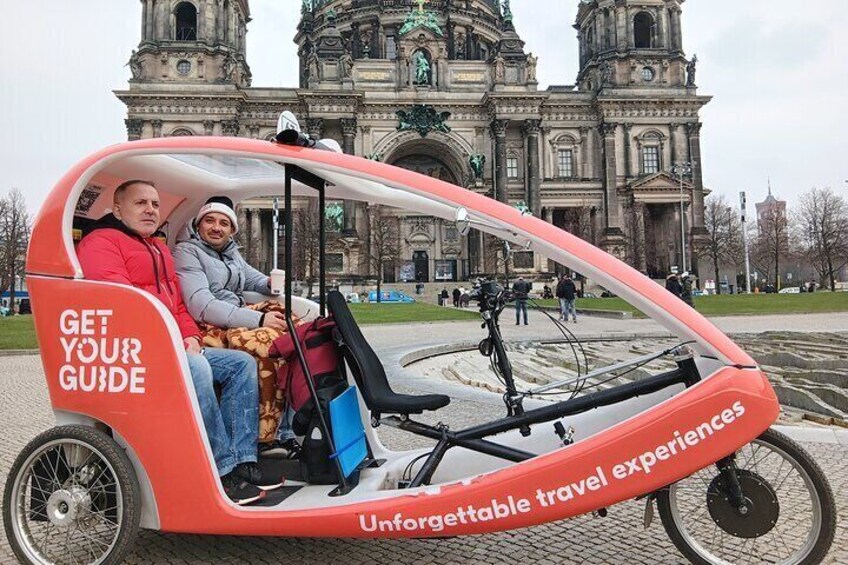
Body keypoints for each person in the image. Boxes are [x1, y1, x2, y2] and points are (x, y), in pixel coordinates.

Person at [77, 180, 282, 505]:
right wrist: (172, 339)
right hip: (136, 349)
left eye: (155, 205)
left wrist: (188, 335)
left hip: (170, 343)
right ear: (117, 208)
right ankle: (223, 471)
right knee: (199, 368)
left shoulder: (157, 247)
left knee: (240, 364)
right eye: (140, 203)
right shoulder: (101, 243)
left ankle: (245, 460)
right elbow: (123, 305)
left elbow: (179, 305)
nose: (150, 210)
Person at [173, 196, 301, 458]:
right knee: (269, 344)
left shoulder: (231, 254)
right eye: (209, 221)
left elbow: (254, 279)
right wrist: (259, 320)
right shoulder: (187, 252)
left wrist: (270, 284)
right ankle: (267, 437)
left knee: (297, 334)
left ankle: (286, 431)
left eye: (224, 223)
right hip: (208, 325)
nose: (216, 227)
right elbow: (202, 305)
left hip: (236, 318)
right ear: (198, 226)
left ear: (232, 230)